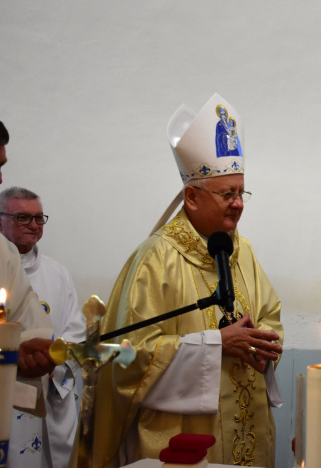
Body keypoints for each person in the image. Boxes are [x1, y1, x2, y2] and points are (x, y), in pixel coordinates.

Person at [93, 95, 284, 467]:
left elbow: (270, 315)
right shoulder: (156, 258)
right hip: (180, 442)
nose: (238, 203)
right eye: (227, 194)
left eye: (241, 192)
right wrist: (215, 345)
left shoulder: (242, 252)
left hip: (248, 428)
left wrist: (263, 343)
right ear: (192, 197)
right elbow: (127, 356)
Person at [1, 187, 85, 468]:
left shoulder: (58, 273)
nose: (34, 225)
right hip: (9, 398)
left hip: (52, 390)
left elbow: (76, 332)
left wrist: (53, 362)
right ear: (0, 221)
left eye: (39, 218)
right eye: (22, 217)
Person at [0, 121, 56, 405]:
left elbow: (29, 327)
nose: (0, 178)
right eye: (23, 218)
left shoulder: (4, 254)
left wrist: (25, 352)